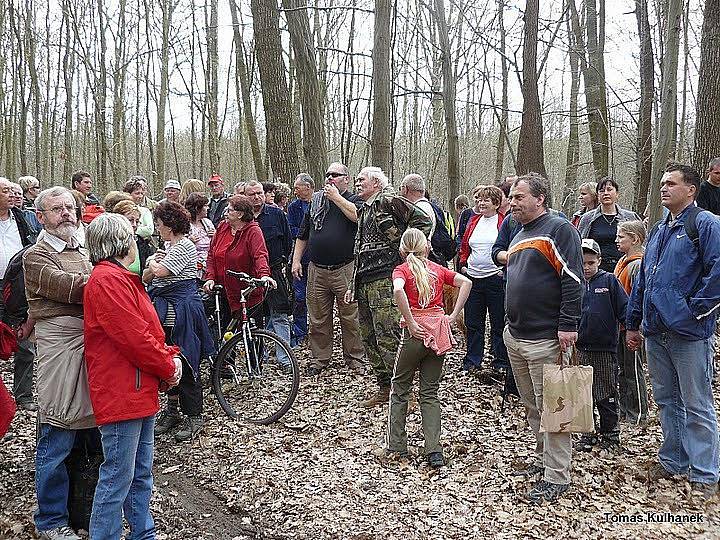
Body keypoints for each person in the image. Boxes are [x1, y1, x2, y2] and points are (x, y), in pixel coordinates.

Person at [83, 213, 182, 540]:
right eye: (131, 233)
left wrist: (168, 360)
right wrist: (168, 367)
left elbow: (146, 333)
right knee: (117, 478)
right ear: (119, 241)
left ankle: (143, 534)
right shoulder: (107, 280)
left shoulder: (123, 278)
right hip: (122, 391)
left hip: (139, 389)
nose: (137, 239)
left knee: (139, 475)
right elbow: (135, 338)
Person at [626, 163, 720, 500]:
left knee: (697, 404)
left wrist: (694, 312)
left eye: (672, 183)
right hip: (655, 330)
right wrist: (634, 322)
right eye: (662, 183)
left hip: (689, 333)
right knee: (667, 400)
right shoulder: (659, 229)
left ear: (691, 189)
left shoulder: (706, 224)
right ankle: (674, 460)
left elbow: (717, 274)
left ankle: (705, 473)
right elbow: (644, 282)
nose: (664, 188)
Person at [502, 173, 583, 503]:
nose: (513, 202)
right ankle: (543, 460)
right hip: (516, 335)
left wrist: (568, 325)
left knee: (556, 408)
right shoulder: (519, 233)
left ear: (540, 198)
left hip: (546, 337)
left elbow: (574, 279)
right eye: (512, 197)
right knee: (533, 405)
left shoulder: (559, 229)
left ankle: (557, 475)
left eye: (519, 197)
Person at [23, 186, 94, 539]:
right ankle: (51, 521)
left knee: (90, 434)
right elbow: (69, 288)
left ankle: (84, 513)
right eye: (57, 209)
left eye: (70, 207)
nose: (66, 213)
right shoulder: (35, 257)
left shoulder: (84, 250)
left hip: (92, 347)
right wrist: (116, 279)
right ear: (41, 216)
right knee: (58, 429)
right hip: (60, 349)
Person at [348, 166, 432, 407]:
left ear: (376, 182)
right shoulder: (365, 209)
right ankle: (385, 387)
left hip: (385, 279)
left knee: (388, 335)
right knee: (369, 337)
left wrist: (407, 252)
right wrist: (353, 282)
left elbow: (423, 222)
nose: (358, 183)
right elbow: (359, 248)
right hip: (365, 280)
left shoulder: (388, 200)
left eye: (362, 180)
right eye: (356, 180)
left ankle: (405, 391)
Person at [387, 228, 471, 468]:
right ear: (426, 247)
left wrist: (411, 322)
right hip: (437, 332)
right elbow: (466, 281)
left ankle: (397, 445)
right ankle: (434, 450)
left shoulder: (402, 270)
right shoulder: (437, 269)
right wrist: (453, 315)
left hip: (414, 335)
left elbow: (397, 289)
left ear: (402, 250)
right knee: (430, 392)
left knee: (400, 387)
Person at [144, 201, 214, 442]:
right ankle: (172, 411)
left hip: (183, 311)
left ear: (170, 225)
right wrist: (154, 264)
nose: (157, 227)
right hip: (165, 314)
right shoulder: (166, 247)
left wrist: (153, 263)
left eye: (160, 224)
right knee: (167, 363)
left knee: (187, 360)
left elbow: (160, 273)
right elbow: (146, 277)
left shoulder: (184, 246)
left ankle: (195, 416)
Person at [291, 163, 365, 376]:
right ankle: (319, 359)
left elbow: (357, 217)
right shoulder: (315, 202)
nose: (330, 178)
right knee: (318, 317)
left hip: (345, 268)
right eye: (327, 175)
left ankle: (354, 358)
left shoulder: (353, 200)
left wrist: (336, 198)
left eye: (335, 175)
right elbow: (303, 234)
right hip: (317, 269)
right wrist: (296, 260)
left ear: (346, 179)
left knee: (350, 317)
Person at [574, 238, 628, 452]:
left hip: (605, 347)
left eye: (591, 263)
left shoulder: (609, 281)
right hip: (579, 347)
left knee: (605, 391)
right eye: (583, 263)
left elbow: (624, 308)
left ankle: (611, 435)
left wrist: (632, 327)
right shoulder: (573, 282)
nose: (586, 267)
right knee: (582, 393)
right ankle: (587, 434)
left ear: (599, 261)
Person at [457, 184, 508, 375]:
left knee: (498, 322)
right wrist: (463, 264)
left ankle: (500, 361)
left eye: (486, 200)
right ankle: (472, 360)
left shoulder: (504, 222)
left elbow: (508, 247)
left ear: (496, 203)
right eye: (479, 199)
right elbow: (464, 245)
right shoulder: (473, 221)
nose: (481, 203)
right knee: (473, 322)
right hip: (473, 279)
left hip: (495, 278)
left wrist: (504, 270)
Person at [204, 196, 275, 328]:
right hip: (223, 292)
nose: (225, 213)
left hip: (246, 293)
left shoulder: (253, 231)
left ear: (240, 214)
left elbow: (260, 255)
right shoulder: (223, 227)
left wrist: (264, 275)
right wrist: (210, 277)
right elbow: (211, 255)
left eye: (229, 210)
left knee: (251, 336)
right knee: (224, 333)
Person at [245, 181, 293, 367]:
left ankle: (285, 359)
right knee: (255, 318)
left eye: (259, 193)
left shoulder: (276, 214)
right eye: (252, 194)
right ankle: (257, 360)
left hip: (274, 271)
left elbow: (288, 242)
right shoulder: (243, 218)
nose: (257, 197)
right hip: (250, 276)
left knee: (279, 314)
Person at [0, 178, 38, 412]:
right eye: (5, 191)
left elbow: (30, 245)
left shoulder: (21, 219)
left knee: (24, 339)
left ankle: (23, 395)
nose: (12, 195)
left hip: (16, 286)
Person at [614, 220, 648, 425]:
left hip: (632, 327)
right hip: (620, 326)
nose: (616, 240)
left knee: (633, 370)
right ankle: (626, 411)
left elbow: (640, 298)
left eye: (621, 237)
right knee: (623, 370)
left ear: (634, 239)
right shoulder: (622, 262)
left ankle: (639, 414)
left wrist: (638, 326)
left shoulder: (638, 264)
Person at [577, 178, 640, 272]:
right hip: (596, 270)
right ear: (597, 195)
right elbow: (579, 244)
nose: (606, 193)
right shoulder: (587, 219)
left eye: (609, 189)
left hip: (626, 268)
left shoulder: (630, 217)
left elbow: (641, 243)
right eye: (601, 191)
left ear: (617, 193)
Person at [287, 173, 313, 347]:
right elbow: (293, 229)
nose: (295, 191)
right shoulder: (294, 207)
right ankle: (299, 331)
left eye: (297, 187)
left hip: (319, 258)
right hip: (301, 258)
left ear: (308, 187)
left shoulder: (320, 201)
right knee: (299, 297)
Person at [111, 200, 153, 275]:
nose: (134, 225)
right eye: (130, 220)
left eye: (137, 221)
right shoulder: (111, 243)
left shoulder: (141, 243)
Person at [185, 192, 215, 281]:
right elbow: (174, 244)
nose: (208, 208)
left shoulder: (207, 223)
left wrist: (215, 236)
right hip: (192, 269)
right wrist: (188, 241)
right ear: (197, 208)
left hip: (209, 266)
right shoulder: (185, 225)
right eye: (205, 206)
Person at [123, 175, 156, 241]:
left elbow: (149, 230)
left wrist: (129, 230)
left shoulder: (145, 210)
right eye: (137, 193)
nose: (140, 196)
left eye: (142, 193)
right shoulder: (121, 208)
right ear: (128, 194)